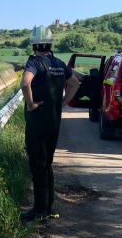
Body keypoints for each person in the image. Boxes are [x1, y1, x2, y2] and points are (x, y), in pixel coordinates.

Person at [21, 26, 81, 221]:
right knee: (47, 164)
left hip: (37, 121)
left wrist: (31, 104)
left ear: (34, 45)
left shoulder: (34, 62)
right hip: (54, 122)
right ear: (50, 44)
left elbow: (25, 83)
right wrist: (62, 103)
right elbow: (75, 83)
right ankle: (48, 205)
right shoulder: (59, 63)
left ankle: (39, 210)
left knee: (38, 165)